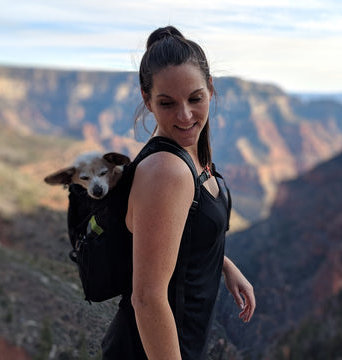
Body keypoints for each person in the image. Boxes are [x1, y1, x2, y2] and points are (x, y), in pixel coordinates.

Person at [101, 26, 256, 360]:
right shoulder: (166, 171)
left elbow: (176, 235)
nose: (185, 116)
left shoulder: (189, 158)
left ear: (210, 89)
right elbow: (147, 298)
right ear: (147, 99)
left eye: (195, 98)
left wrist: (223, 264)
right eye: (167, 103)